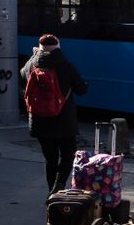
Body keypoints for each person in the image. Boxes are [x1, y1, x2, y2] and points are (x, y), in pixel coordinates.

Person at [20, 34, 87, 193]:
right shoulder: (65, 65)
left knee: (50, 159)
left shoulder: (32, 64)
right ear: (58, 47)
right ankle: (59, 185)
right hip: (63, 121)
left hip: (39, 121)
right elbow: (82, 90)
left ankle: (52, 192)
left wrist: (34, 55)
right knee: (68, 155)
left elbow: (22, 77)